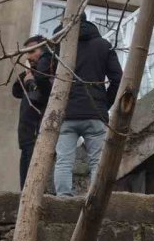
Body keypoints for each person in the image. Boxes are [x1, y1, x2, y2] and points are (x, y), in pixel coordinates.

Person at [37, 14, 123, 197]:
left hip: (66, 113)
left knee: (64, 160)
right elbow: (118, 79)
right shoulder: (102, 45)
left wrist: (52, 99)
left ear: (66, 22)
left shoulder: (59, 44)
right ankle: (94, 199)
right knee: (97, 161)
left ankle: (63, 197)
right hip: (95, 112)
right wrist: (105, 102)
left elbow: (40, 74)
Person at [12, 35, 50, 189]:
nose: (28, 56)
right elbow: (16, 91)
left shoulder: (48, 72)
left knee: (31, 184)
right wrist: (27, 74)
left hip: (36, 133)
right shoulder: (32, 72)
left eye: (32, 51)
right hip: (27, 135)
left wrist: (31, 81)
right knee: (24, 183)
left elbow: (39, 96)